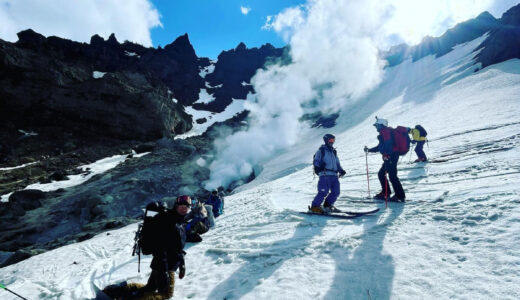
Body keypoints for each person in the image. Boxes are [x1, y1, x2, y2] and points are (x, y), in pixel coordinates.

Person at [104, 195, 189, 300]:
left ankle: (119, 289)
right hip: (165, 266)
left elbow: (177, 248)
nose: (184, 208)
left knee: (150, 288)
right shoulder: (170, 222)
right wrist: (164, 272)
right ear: (176, 206)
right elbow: (160, 247)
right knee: (166, 295)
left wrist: (182, 265)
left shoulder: (179, 221)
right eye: (182, 206)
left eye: (186, 206)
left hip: (161, 265)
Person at [364, 118, 406, 202]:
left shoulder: (385, 131)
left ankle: (399, 195)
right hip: (391, 155)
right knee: (382, 174)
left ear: (381, 125)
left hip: (390, 156)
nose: (376, 127)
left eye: (377, 125)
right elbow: (380, 147)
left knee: (392, 176)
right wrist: (369, 150)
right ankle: (387, 192)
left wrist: (387, 154)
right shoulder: (385, 132)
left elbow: (388, 143)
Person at [309, 133, 346, 213]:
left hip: (334, 175)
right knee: (323, 192)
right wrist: (319, 166)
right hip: (325, 174)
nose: (332, 142)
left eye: (333, 140)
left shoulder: (334, 151)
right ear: (326, 140)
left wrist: (341, 170)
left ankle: (328, 206)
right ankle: (314, 207)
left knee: (336, 192)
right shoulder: (321, 150)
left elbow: (337, 163)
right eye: (330, 140)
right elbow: (316, 161)